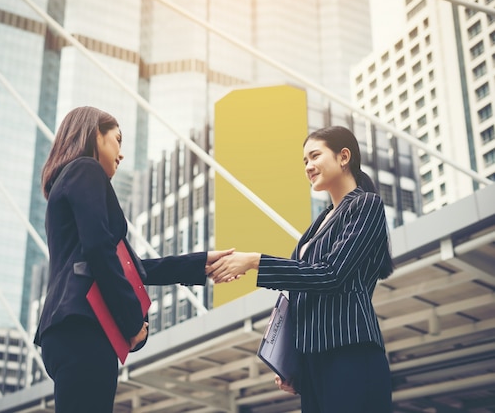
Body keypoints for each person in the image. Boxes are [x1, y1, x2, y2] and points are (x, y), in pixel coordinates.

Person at [34, 106, 232, 412]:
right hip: (85, 326)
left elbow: (130, 267)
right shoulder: (86, 170)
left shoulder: (66, 181)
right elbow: (100, 250)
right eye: (117, 139)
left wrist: (199, 264)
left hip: (64, 330)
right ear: (94, 136)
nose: (121, 153)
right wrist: (130, 321)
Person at [207, 126, 394, 413]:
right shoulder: (316, 225)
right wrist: (291, 359)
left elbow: (331, 274)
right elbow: (297, 293)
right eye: (304, 161)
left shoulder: (366, 205)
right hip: (313, 361)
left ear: (344, 156)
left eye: (314, 156)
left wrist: (256, 261)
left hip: (350, 352)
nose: (308, 166)